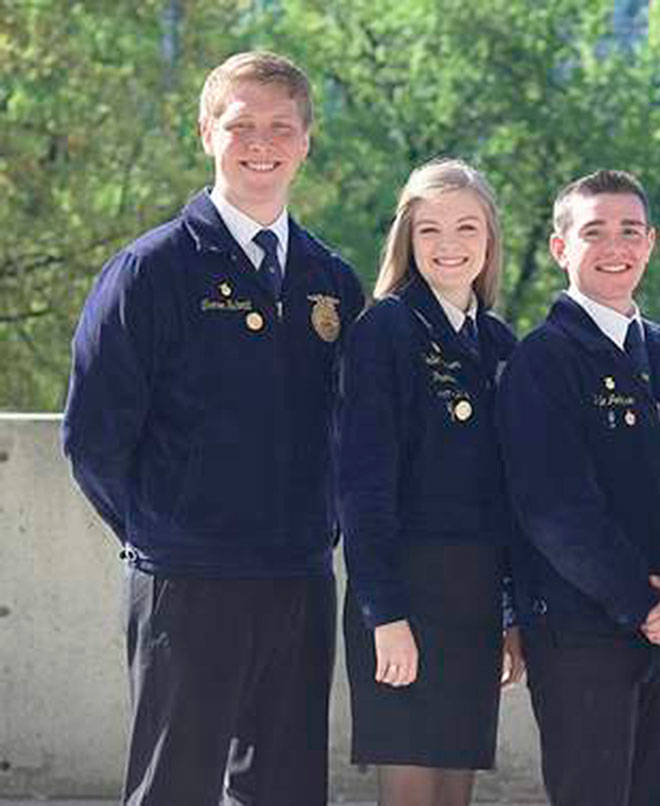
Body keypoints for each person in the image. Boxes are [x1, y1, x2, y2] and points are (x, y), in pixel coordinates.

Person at [61, 51, 364, 804]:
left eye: (280, 127)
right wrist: (163, 530)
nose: (260, 142)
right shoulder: (151, 270)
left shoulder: (330, 280)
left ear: (306, 141)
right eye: (241, 124)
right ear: (207, 132)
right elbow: (93, 436)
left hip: (297, 573)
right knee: (176, 788)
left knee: (288, 789)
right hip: (186, 577)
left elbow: (352, 428)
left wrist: (320, 525)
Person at [496, 169, 660, 806]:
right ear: (560, 247)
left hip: (659, 628)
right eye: (595, 232)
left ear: (651, 241)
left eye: (630, 231)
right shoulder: (542, 360)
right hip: (579, 631)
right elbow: (554, 508)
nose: (616, 247)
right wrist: (643, 601)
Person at [337, 159, 525, 806]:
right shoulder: (384, 331)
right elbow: (363, 488)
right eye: (430, 230)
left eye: (467, 227)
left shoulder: (499, 344)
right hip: (403, 595)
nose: (450, 246)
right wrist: (384, 613)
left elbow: (506, 500)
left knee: (454, 791)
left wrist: (508, 614)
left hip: (473, 602)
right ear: (407, 241)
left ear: (490, 240)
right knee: (412, 788)